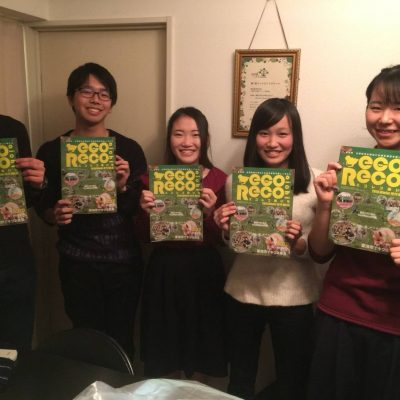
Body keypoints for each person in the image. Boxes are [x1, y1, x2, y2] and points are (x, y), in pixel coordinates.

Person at [35, 62, 147, 358]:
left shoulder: (128, 149)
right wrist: (54, 214)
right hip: (77, 264)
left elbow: (138, 210)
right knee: (85, 339)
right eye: (87, 91)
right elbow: (43, 206)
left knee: (121, 338)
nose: (96, 99)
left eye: (104, 94)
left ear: (111, 103)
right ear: (71, 98)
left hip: (123, 265)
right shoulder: (51, 151)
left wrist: (122, 187)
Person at [214, 98, 322, 400]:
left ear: (295, 137)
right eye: (264, 133)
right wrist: (225, 229)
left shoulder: (316, 184)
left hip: (295, 296)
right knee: (240, 380)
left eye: (282, 133)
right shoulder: (236, 182)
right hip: (243, 292)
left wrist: (296, 243)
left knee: (293, 382)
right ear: (254, 138)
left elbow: (318, 250)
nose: (273, 143)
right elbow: (237, 245)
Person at [308, 66, 400, 399]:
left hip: (392, 326)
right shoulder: (354, 169)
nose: (385, 119)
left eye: (398, 108)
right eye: (376, 107)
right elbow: (320, 253)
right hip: (339, 312)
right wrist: (325, 206)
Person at [139, 107, 227, 381]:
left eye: (195, 134)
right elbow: (142, 238)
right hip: (164, 272)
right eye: (179, 134)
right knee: (165, 353)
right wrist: (145, 213)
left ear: (205, 139)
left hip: (204, 272)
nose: (187, 142)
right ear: (169, 139)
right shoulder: (151, 179)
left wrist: (211, 214)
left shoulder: (220, 180)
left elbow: (226, 240)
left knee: (203, 350)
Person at [0, 115, 45, 352]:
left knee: (17, 351)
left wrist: (37, 184)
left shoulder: (12, 128)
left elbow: (24, 200)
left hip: (14, 261)